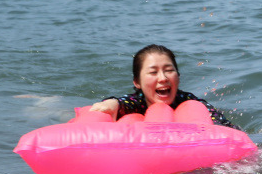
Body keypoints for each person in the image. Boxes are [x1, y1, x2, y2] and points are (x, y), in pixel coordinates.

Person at [90, 44, 239, 129]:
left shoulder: (188, 101)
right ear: (137, 82)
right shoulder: (135, 103)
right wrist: (112, 103)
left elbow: (221, 124)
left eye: (169, 70)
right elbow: (122, 103)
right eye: (153, 72)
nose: (163, 78)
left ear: (178, 77)